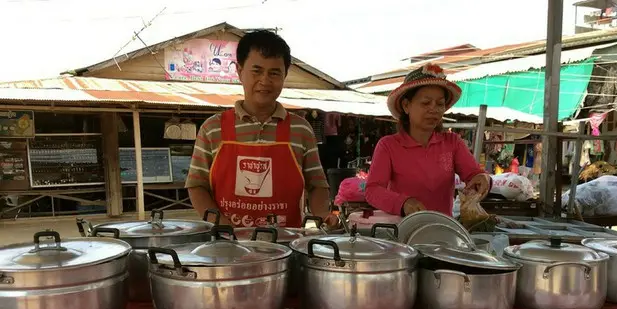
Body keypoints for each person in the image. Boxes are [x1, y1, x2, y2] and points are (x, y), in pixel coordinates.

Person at [185, 30, 336, 228]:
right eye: (257, 71)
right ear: (239, 72)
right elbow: (197, 185)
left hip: (285, 245)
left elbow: (317, 185)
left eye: (274, 73)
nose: (265, 80)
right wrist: (220, 224)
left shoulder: (301, 129)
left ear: (284, 76)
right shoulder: (212, 128)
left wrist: (324, 214)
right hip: (227, 245)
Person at [365, 63, 491, 217]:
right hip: (403, 231)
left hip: (443, 229)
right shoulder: (388, 146)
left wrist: (483, 179)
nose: (434, 109)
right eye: (426, 103)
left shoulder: (452, 142)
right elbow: (372, 190)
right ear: (406, 106)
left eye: (440, 104)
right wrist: (403, 203)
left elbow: (474, 174)